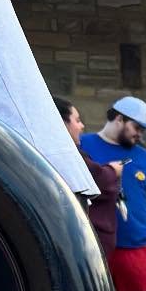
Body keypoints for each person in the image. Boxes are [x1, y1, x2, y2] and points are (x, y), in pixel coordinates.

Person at [78, 95, 146, 291]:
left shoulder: (142, 155)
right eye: (137, 127)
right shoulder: (83, 145)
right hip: (95, 248)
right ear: (119, 119)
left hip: (138, 249)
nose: (140, 134)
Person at [53, 94, 121, 267]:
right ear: (63, 123)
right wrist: (112, 170)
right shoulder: (64, 155)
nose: (82, 126)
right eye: (77, 120)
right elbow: (98, 180)